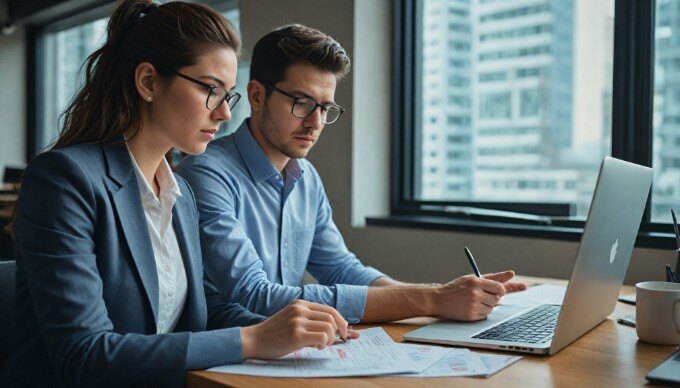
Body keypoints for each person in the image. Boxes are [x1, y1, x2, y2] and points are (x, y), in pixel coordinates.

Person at [2, 5, 353, 388]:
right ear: (149, 82)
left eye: (228, 96)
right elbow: (85, 355)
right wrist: (254, 339)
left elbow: (203, 313)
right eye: (209, 90)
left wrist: (292, 328)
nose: (223, 113)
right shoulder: (64, 180)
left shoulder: (180, 193)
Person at [177, 24, 527, 327]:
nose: (315, 123)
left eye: (325, 108)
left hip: (297, 345)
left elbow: (343, 270)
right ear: (256, 95)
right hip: (230, 360)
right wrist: (431, 300)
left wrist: (445, 297)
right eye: (301, 102)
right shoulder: (206, 175)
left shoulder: (306, 178)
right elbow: (256, 295)